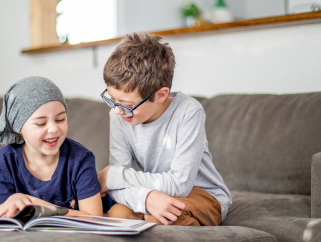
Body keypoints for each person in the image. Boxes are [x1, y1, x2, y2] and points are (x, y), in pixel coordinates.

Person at [97, 33, 232, 226]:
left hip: (201, 195)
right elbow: (117, 186)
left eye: (126, 104)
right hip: (157, 193)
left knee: (164, 217)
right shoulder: (118, 116)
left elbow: (179, 185)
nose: (118, 110)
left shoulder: (189, 111)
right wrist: (146, 198)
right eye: (112, 99)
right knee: (117, 212)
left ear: (160, 95)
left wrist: (114, 175)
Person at [0, 76, 102, 219]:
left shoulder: (81, 159)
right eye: (41, 123)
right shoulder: (5, 160)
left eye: (60, 119)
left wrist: (37, 205)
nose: (54, 129)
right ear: (18, 127)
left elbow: (95, 217)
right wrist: (12, 200)